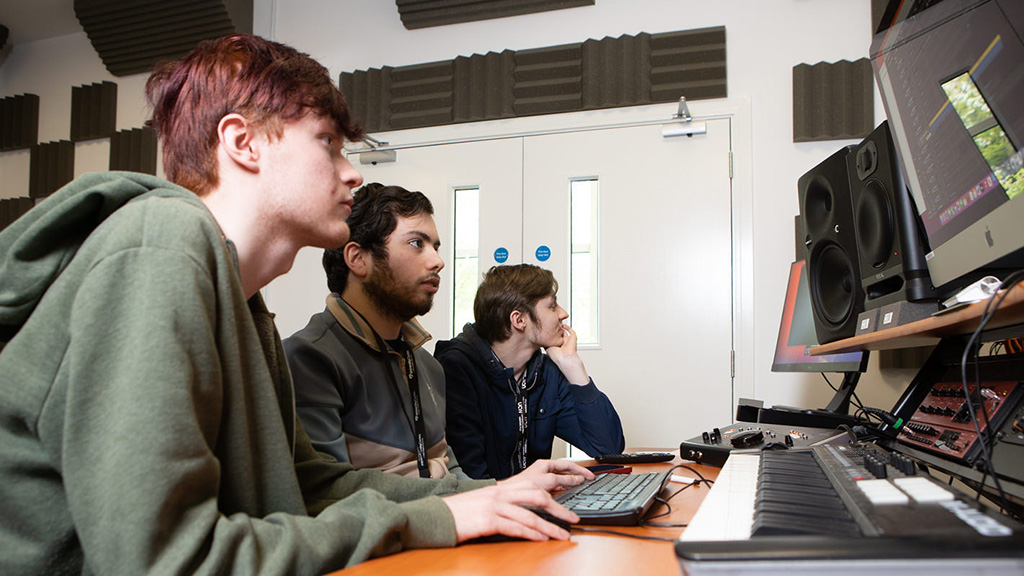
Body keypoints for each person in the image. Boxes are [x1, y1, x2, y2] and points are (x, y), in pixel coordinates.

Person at [0, 34, 593, 576]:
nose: (351, 172)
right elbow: (166, 560)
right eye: (328, 144)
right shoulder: (158, 244)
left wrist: (481, 498)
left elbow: (309, 484)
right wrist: (445, 519)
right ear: (243, 143)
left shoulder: (242, 298)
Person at [285, 182, 467, 479]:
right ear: (358, 259)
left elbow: (452, 468)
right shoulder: (308, 359)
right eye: (416, 243)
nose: (438, 261)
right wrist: (440, 481)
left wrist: (507, 495)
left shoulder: (428, 366)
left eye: (435, 246)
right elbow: (328, 491)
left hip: (443, 521)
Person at [435, 264, 625, 480]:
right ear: (519, 320)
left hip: (533, 502)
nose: (564, 313)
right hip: (486, 508)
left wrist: (573, 367)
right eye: (552, 306)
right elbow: (471, 482)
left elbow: (609, 449)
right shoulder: (457, 369)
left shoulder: (546, 372)